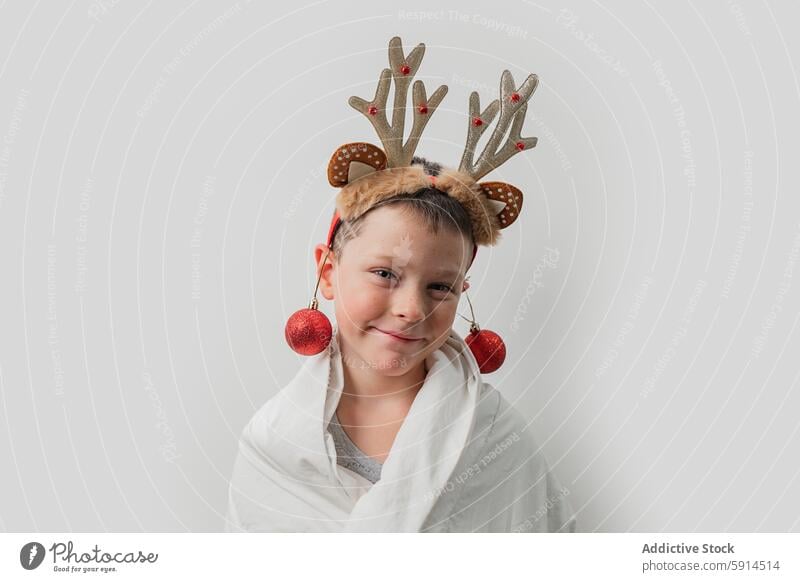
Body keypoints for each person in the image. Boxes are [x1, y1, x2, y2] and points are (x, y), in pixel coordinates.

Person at [224, 36, 576, 533]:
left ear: (462, 293)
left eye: (440, 287)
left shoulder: (494, 437)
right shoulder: (274, 444)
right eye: (385, 274)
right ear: (328, 271)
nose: (412, 308)